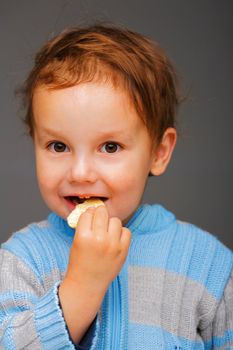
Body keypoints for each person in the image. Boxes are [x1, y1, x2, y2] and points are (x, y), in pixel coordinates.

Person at [0, 23, 232, 350]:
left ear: (158, 152)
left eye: (110, 147)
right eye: (57, 146)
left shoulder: (206, 263)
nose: (80, 173)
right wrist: (81, 287)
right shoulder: (21, 261)